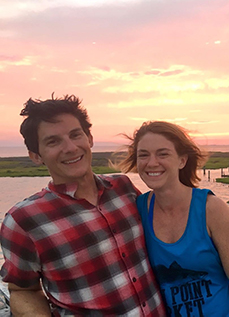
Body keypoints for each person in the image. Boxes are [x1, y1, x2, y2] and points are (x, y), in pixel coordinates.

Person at [0, 95, 166, 316]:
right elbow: (23, 290)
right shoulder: (24, 221)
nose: (70, 148)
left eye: (75, 135)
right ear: (35, 156)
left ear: (89, 138)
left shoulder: (123, 188)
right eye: (53, 141)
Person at [118, 121, 229, 316]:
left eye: (163, 153)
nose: (152, 162)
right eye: (143, 155)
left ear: (182, 160)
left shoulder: (212, 210)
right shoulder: (138, 209)